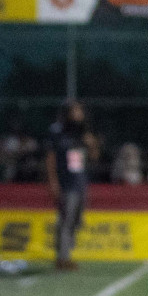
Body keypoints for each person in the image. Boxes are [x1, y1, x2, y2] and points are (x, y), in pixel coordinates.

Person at [45, 101, 98, 270]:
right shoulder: (57, 132)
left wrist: (92, 144)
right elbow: (50, 158)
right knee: (65, 219)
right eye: (76, 111)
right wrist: (53, 182)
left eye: (80, 111)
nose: (79, 114)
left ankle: (65, 253)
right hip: (65, 182)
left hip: (80, 182)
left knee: (77, 220)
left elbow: (94, 157)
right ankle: (62, 257)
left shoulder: (83, 132)